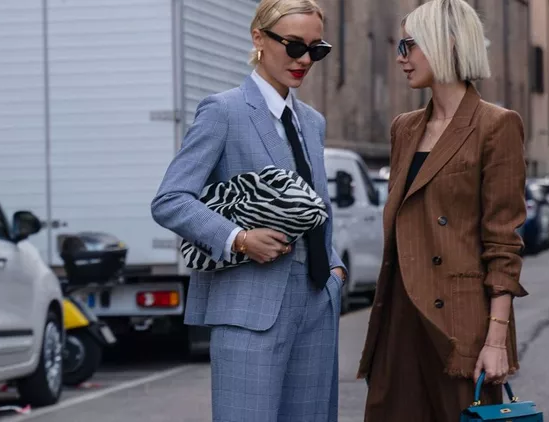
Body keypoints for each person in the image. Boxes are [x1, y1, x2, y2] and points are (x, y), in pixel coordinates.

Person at [151, 1, 347, 420]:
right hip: (249, 308)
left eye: (317, 49)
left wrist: (333, 270)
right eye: (294, 46)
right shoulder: (224, 110)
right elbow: (170, 200)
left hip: (316, 301)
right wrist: (238, 239)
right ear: (259, 38)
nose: (304, 60)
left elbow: (318, 207)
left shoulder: (311, 121)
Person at [356, 0, 529, 420]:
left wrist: (496, 339)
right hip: (400, 315)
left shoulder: (496, 124)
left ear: (446, 44)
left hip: (459, 323)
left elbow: (502, 240)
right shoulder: (405, 128)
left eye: (409, 45)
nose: (401, 57)